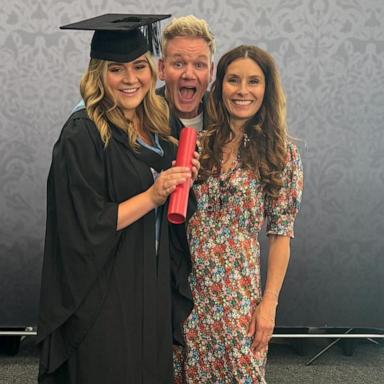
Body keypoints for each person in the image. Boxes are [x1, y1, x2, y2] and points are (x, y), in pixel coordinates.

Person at [37, 14, 199, 384]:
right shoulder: (82, 134)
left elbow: (178, 200)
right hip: (104, 289)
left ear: (151, 69)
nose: (130, 79)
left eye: (139, 66)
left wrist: (187, 174)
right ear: (99, 74)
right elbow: (82, 224)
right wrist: (153, 194)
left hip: (150, 280)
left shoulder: (161, 121)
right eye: (116, 69)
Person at [174, 45, 304, 383]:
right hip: (188, 295)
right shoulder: (197, 145)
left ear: (266, 88)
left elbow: (280, 235)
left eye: (253, 82)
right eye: (233, 80)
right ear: (220, 86)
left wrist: (269, 305)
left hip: (240, 300)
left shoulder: (281, 155)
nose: (243, 91)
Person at [157, 15, 215, 137]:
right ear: (162, 69)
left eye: (199, 65)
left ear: (211, 72)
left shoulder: (224, 114)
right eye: (178, 64)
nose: (188, 75)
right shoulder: (142, 115)